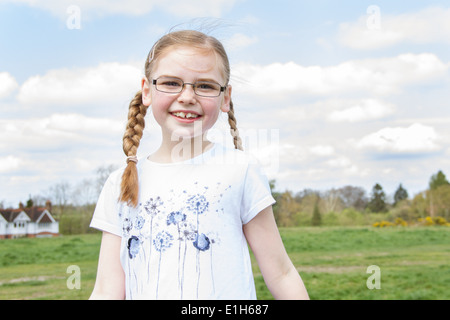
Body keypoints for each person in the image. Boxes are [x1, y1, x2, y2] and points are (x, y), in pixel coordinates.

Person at [89, 30, 309, 300]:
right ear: (147, 90)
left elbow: (282, 273)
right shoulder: (119, 184)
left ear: (225, 97)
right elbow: (106, 289)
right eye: (171, 83)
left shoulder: (240, 170)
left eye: (204, 86)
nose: (187, 96)